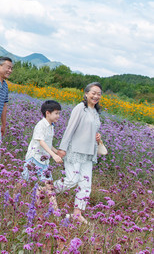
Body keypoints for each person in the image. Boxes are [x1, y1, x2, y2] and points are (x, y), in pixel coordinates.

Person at [53, 82, 103, 225]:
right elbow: (70, 128)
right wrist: (62, 148)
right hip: (75, 150)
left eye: (99, 94)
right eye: (93, 93)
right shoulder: (80, 108)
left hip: (89, 152)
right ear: (86, 93)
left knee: (85, 184)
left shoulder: (95, 111)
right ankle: (47, 189)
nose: (96, 96)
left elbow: (91, 129)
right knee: (72, 180)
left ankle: (77, 213)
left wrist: (98, 137)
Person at [22, 100, 63, 211]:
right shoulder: (41, 125)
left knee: (49, 186)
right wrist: (54, 155)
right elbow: (41, 142)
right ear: (47, 113)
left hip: (44, 160)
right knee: (23, 180)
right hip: (34, 158)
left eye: (59, 113)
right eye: (56, 113)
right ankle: (12, 197)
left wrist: (56, 151)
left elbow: (48, 143)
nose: (58, 116)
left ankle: (55, 211)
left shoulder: (51, 126)